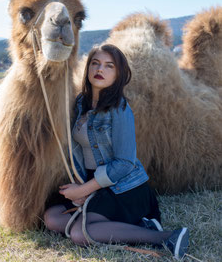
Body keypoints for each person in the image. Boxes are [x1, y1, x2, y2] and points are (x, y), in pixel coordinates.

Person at [44, 44, 189, 259]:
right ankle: (126, 226)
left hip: (124, 186)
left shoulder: (120, 109)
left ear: (118, 74)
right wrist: (82, 190)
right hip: (95, 185)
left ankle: (164, 237)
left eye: (108, 66)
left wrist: (84, 190)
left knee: (80, 234)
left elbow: (124, 163)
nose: (100, 69)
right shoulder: (81, 103)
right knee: (52, 217)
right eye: (95, 63)